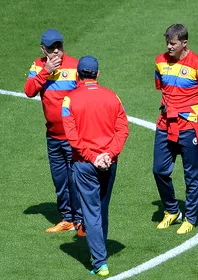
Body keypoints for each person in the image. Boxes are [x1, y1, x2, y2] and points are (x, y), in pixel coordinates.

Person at [62, 56, 129, 276]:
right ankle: (98, 253)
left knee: (91, 211)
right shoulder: (113, 97)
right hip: (109, 163)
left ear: (77, 75)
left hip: (84, 164)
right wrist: (108, 154)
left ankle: (100, 261)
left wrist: (93, 157)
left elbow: (72, 139)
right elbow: (123, 130)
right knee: (102, 207)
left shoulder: (69, 101)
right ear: (97, 74)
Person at [153, 24, 198, 234]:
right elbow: (162, 88)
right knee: (159, 170)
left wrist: (194, 111)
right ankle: (172, 210)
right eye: (167, 43)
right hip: (165, 124)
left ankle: (190, 217)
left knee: (192, 176)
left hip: (188, 127)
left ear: (184, 43)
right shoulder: (160, 61)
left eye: (173, 43)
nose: (169, 47)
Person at [23, 28, 84, 236]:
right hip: (53, 137)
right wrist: (45, 71)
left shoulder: (76, 66)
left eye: (59, 46)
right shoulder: (38, 66)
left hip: (73, 136)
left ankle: (82, 221)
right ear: (43, 49)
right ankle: (67, 219)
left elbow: (86, 98)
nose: (57, 51)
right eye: (52, 48)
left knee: (76, 180)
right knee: (60, 181)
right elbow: (29, 91)